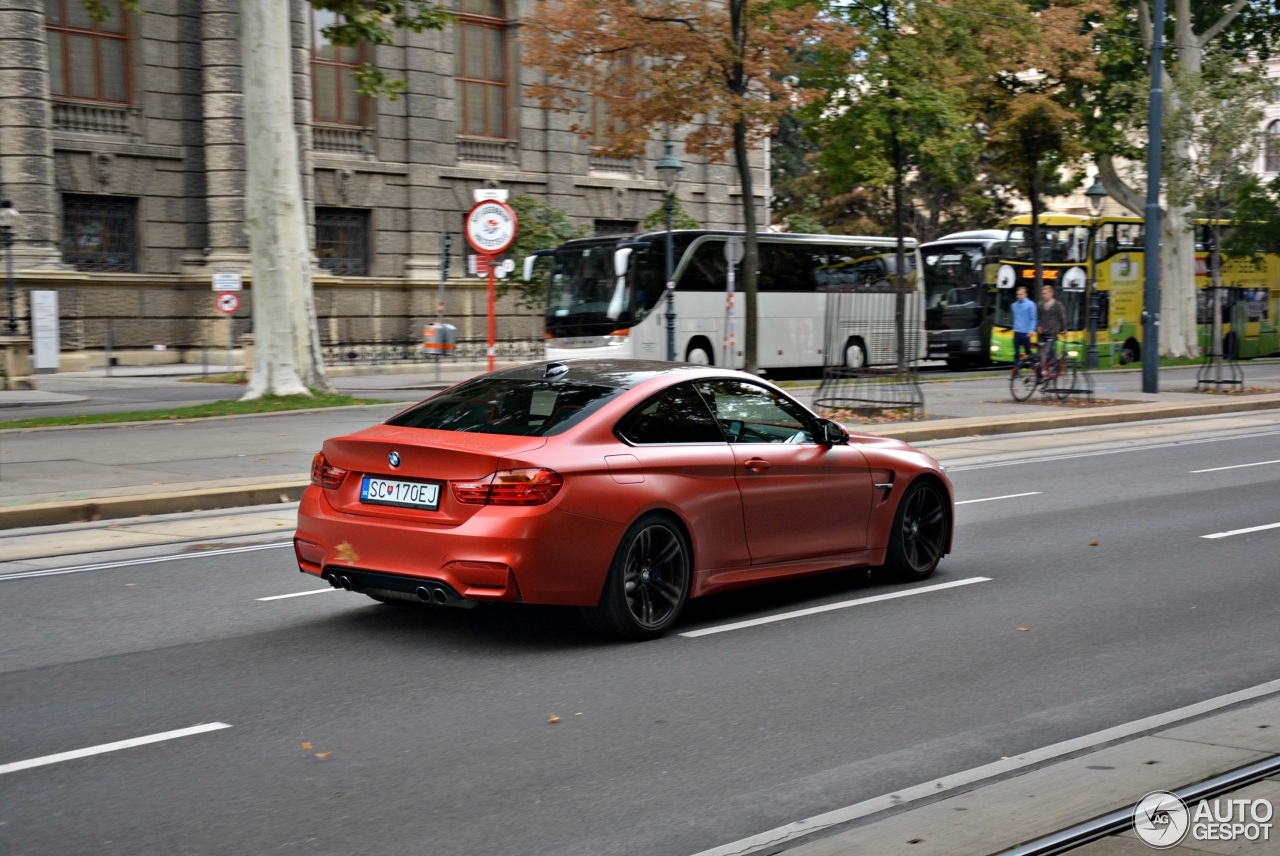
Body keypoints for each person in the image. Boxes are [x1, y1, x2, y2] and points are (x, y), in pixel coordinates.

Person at [1037, 284, 1068, 368]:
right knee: (1043, 353)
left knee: (1049, 350)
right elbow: (1038, 317)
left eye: (1045, 293)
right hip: (1043, 332)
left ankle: (1053, 368)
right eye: (1043, 293)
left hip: (1053, 331)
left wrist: (1065, 330)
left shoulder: (1057, 305)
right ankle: (1046, 371)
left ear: (1051, 294)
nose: (1044, 295)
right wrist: (1039, 325)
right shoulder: (1040, 305)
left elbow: (1063, 317)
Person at [1011, 284, 1037, 369]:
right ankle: (1016, 371)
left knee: (1028, 352)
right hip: (1017, 332)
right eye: (1018, 294)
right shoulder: (1014, 305)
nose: (1019, 296)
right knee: (1016, 353)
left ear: (1025, 294)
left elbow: (1033, 318)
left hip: (1026, 333)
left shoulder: (1031, 305)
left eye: (1021, 294)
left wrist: (1031, 330)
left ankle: (1035, 364)